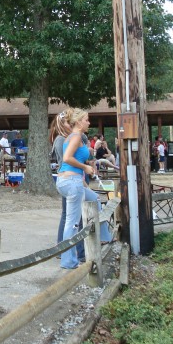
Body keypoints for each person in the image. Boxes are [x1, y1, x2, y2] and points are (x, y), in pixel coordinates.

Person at [49, 112, 111, 256]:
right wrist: (83, 170)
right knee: (72, 218)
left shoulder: (73, 138)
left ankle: (70, 250)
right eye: (66, 122)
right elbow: (65, 161)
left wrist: (87, 163)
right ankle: (72, 251)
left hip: (76, 177)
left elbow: (76, 159)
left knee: (74, 214)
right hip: (71, 179)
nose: (69, 124)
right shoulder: (63, 140)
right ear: (61, 124)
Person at [56, 108, 100, 270]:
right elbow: (67, 158)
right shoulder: (75, 137)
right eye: (87, 119)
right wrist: (85, 167)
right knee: (72, 223)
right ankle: (68, 261)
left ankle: (102, 237)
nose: (89, 122)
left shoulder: (75, 137)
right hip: (71, 182)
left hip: (72, 181)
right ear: (80, 122)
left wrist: (84, 179)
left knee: (94, 199)